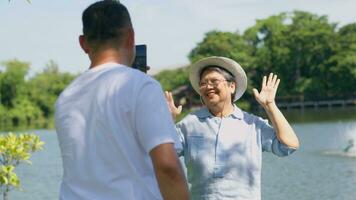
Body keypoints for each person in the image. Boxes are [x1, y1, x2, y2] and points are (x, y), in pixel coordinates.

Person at [54, 1, 189, 200]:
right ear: (130, 37)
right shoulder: (142, 86)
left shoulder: (65, 97)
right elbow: (168, 168)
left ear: (83, 43)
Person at [165, 56, 300, 199]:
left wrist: (269, 105)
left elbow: (289, 146)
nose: (208, 86)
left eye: (214, 81)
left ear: (232, 86)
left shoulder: (252, 124)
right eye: (203, 83)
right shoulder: (189, 124)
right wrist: (167, 122)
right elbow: (162, 155)